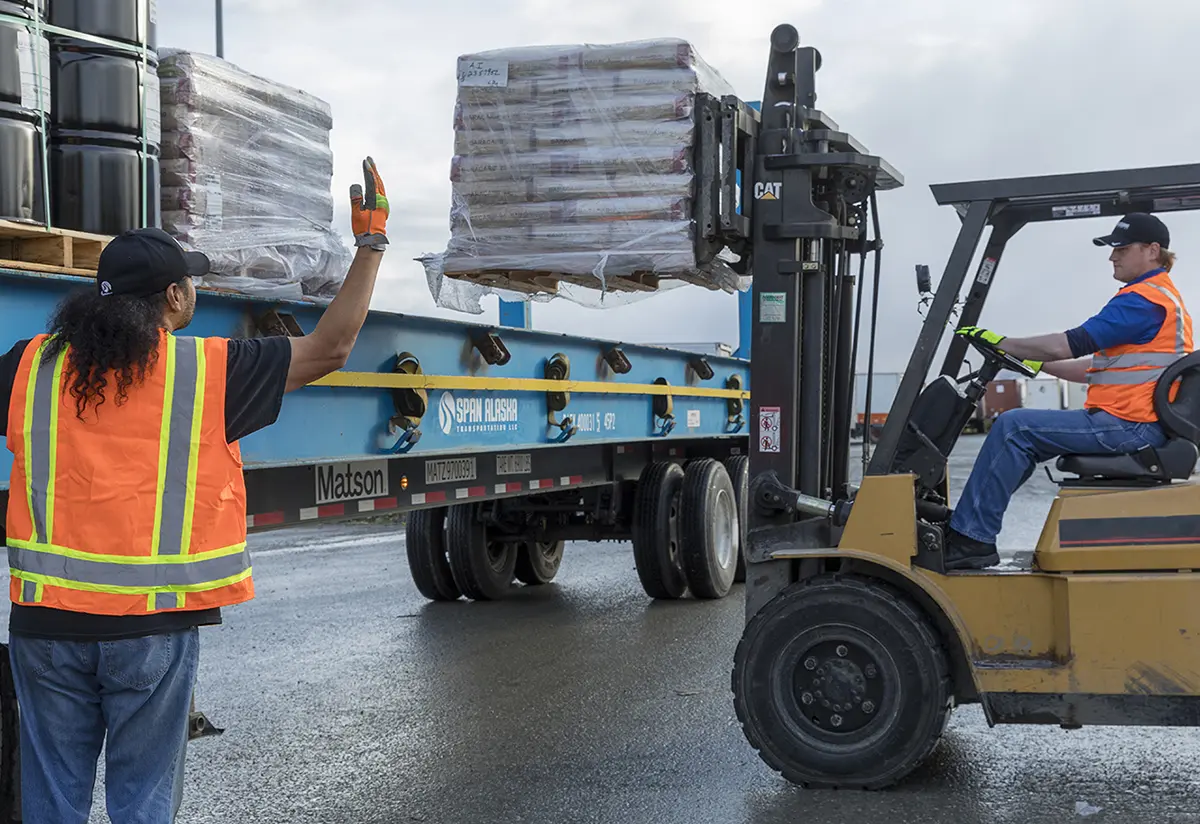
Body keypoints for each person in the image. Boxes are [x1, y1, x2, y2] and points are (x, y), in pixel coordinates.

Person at [0, 157, 390, 822]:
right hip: (151, 633)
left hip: (45, 629)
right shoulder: (209, 371)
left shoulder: (29, 364)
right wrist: (372, 245)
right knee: (141, 800)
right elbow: (331, 347)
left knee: (51, 800)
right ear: (174, 298)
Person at [945, 212, 1192, 570]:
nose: (1112, 256)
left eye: (1121, 248)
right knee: (1024, 438)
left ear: (1152, 251)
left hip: (1128, 425)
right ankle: (971, 528)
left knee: (1014, 427)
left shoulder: (1143, 301)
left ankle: (971, 538)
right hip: (1132, 421)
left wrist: (1006, 343)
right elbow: (1088, 369)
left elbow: (1068, 344)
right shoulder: (1158, 299)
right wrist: (1027, 361)